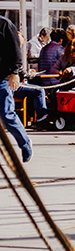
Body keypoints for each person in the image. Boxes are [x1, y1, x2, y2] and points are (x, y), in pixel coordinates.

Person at [0, 14, 33, 162]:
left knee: (6, 114)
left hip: (2, 77)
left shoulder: (5, 24)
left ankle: (25, 143)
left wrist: (15, 72)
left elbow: (15, 50)